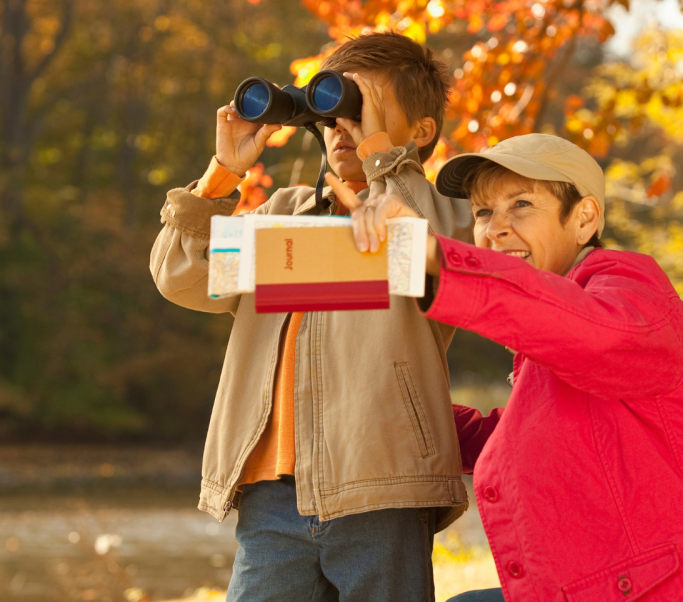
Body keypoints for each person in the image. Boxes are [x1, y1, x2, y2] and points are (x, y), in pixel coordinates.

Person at [326, 133, 683, 602]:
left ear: (585, 218)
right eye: (482, 212)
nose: (494, 228)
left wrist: (435, 258)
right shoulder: (551, 335)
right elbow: (536, 435)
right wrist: (402, 411)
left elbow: (598, 336)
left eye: (521, 205)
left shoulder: (627, 289)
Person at [149, 31, 473, 602]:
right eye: (333, 109)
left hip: (383, 485)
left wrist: (383, 163)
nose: (341, 126)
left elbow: (429, 252)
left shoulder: (444, 216)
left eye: (360, 108)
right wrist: (222, 175)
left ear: (421, 133)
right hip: (271, 496)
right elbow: (180, 275)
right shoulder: (284, 214)